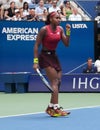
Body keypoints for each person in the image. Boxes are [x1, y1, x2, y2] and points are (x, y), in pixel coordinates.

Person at [33, 11, 71, 117]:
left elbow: (66, 44)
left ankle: (50, 107)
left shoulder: (61, 29)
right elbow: (36, 45)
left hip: (54, 56)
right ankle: (56, 108)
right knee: (54, 81)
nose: (59, 19)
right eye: (57, 18)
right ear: (50, 19)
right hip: (45, 56)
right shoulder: (44, 30)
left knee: (58, 82)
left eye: (60, 18)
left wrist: (68, 32)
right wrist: (35, 62)